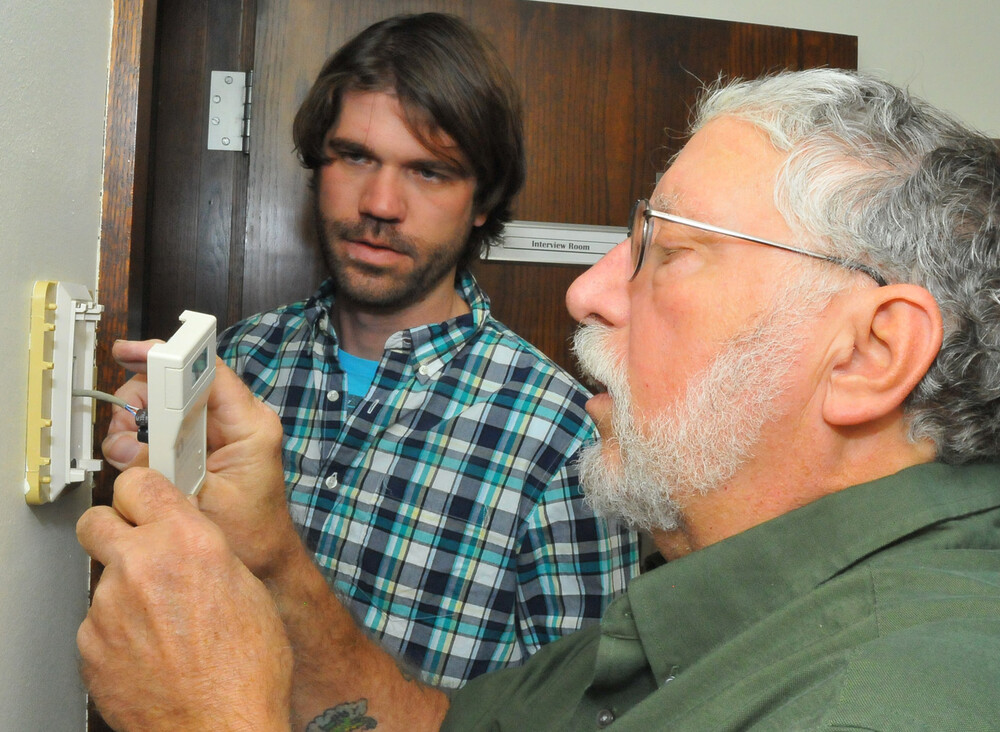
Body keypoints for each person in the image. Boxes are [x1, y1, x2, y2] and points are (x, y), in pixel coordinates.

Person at [80, 68, 1000, 730]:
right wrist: (268, 555)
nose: (588, 290)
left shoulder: (927, 699)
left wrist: (213, 719)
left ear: (872, 352)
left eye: (669, 251)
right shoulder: (709, 602)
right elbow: (429, 722)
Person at [101, 12, 638, 690]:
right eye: (356, 156)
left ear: (483, 200)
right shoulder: (242, 362)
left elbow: (584, 713)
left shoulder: (563, 443)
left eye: (430, 171)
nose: (380, 203)